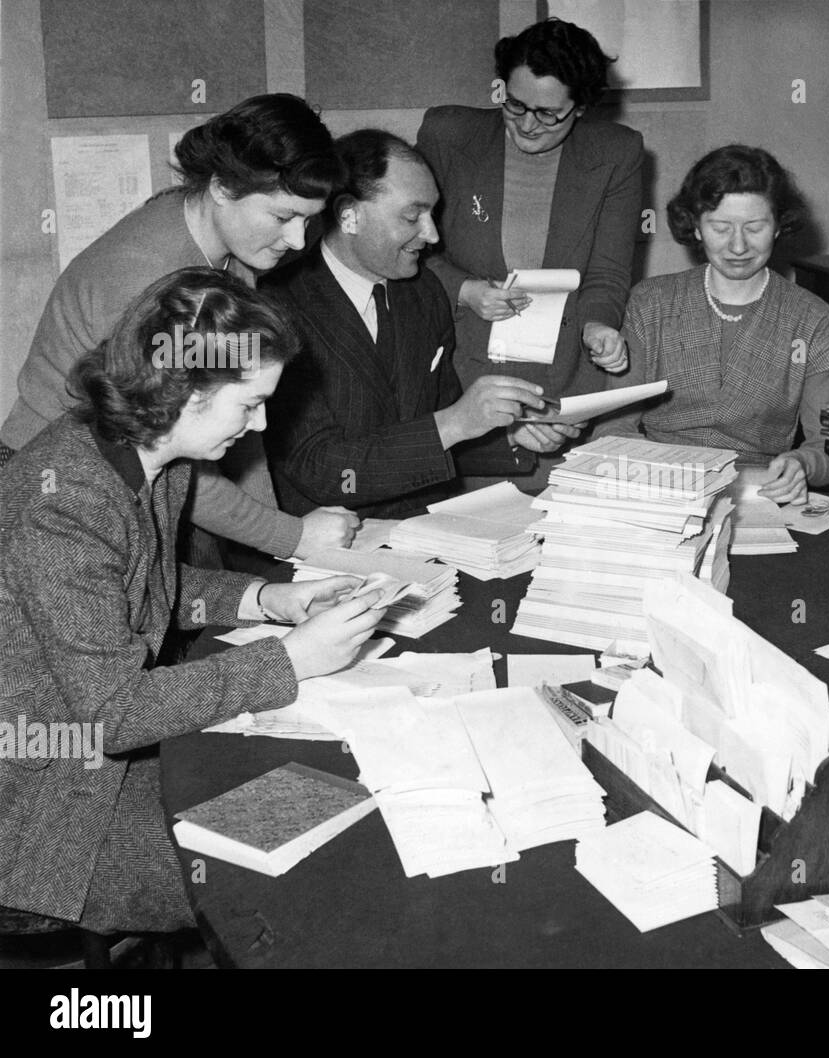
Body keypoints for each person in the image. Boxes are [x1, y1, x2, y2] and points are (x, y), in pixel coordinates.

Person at [0, 269, 388, 934]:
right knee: (308, 851)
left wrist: (272, 599)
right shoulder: (62, 505)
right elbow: (113, 715)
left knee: (333, 787)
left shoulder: (152, 454)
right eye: (250, 403)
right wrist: (289, 661)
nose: (262, 421)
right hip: (48, 812)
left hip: (103, 756)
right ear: (186, 393)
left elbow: (146, 587)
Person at [0, 93, 357, 558]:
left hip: (143, 477)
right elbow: (167, 432)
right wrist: (289, 537)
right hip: (57, 487)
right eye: (283, 216)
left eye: (307, 221)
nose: (296, 240)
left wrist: (284, 545)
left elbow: (239, 412)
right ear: (223, 188)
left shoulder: (228, 255)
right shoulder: (149, 280)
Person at [262, 130, 578, 519]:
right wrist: (454, 423)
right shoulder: (275, 307)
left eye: (432, 214)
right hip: (328, 542)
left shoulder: (425, 292)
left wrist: (510, 434)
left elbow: (439, 426)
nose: (432, 235)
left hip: (423, 529)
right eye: (413, 216)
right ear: (349, 215)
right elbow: (324, 472)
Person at [416, 16, 644, 488]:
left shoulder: (616, 152)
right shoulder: (448, 134)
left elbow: (607, 272)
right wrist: (465, 290)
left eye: (547, 113)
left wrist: (600, 325)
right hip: (460, 375)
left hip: (560, 381)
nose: (526, 123)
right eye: (514, 104)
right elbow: (410, 250)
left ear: (580, 107)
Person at [595, 145, 829, 505]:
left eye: (755, 227)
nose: (738, 246)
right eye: (721, 228)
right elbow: (613, 428)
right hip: (657, 485)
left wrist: (803, 463)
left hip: (757, 494)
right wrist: (655, 471)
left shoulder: (814, 323)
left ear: (779, 226)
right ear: (696, 228)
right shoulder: (651, 303)